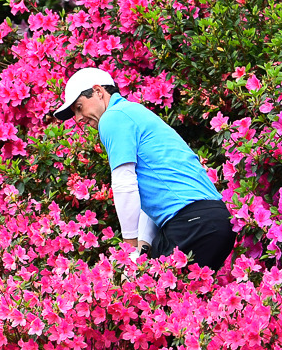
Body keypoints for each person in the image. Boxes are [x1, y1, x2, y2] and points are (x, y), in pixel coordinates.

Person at [53, 67, 236, 271]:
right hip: (214, 221)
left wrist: (128, 251)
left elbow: (125, 184)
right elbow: (150, 198)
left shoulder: (112, 117)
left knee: (146, 292)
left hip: (191, 223)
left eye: (79, 107)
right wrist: (142, 248)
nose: (78, 119)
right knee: (174, 296)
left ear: (98, 91)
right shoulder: (133, 112)